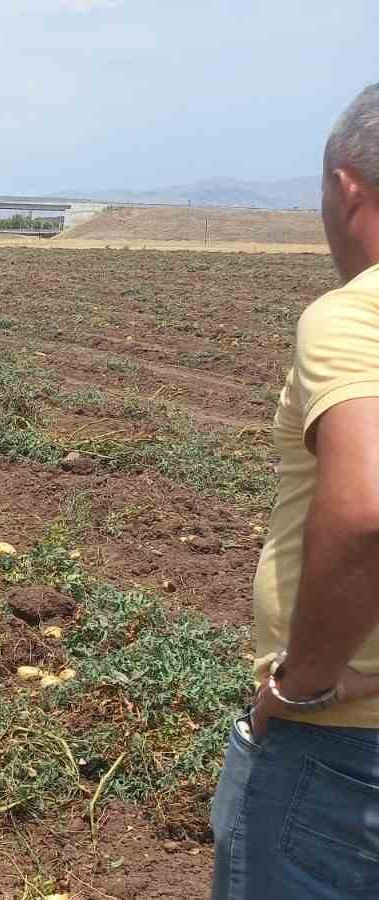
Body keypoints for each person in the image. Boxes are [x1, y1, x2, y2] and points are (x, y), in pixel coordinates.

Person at [210, 82, 379, 900]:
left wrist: (302, 683)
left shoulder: (357, 315)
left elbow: (369, 512)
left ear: (346, 189)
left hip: (345, 757)